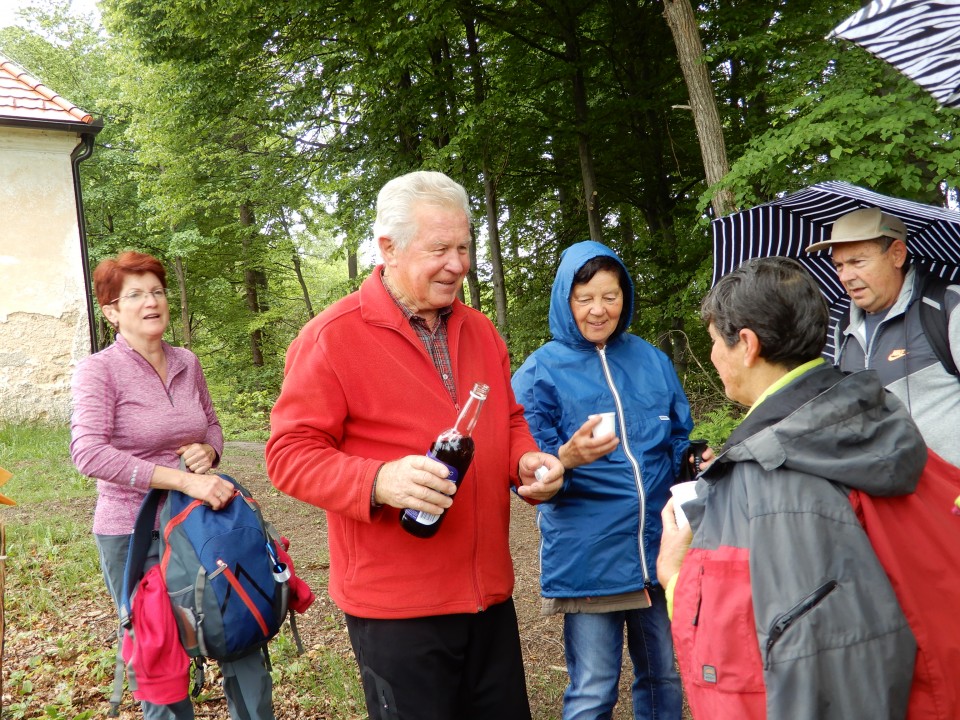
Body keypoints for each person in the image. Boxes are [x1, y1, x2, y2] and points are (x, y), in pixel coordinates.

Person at [265, 170, 564, 720]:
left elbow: (511, 419)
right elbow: (288, 454)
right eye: (440, 249)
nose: (460, 263)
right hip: (396, 610)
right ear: (389, 249)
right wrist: (377, 481)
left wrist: (526, 459)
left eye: (465, 246)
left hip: (488, 596)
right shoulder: (331, 337)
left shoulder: (481, 331)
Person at [656, 256, 926, 720]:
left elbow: (759, 653)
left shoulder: (775, 473)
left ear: (746, 344)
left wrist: (674, 573)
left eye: (713, 343)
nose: (714, 358)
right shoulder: (862, 417)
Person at [70, 251, 275, 720]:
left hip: (201, 524)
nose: (151, 302)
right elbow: (88, 453)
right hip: (132, 531)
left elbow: (212, 426)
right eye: (135, 294)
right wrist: (183, 478)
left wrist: (210, 452)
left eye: (157, 291)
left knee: (238, 627)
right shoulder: (99, 371)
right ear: (111, 311)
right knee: (158, 653)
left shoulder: (188, 362)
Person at [511, 241, 691, 720]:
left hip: (656, 550)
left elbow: (677, 439)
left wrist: (694, 458)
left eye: (610, 297)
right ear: (565, 301)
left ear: (625, 297)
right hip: (589, 554)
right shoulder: (539, 372)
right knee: (594, 688)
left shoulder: (651, 360)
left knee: (664, 677)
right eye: (585, 297)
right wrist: (564, 461)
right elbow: (526, 467)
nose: (599, 310)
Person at [805, 206, 960, 466]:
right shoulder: (844, 330)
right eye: (839, 265)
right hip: (886, 498)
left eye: (857, 262)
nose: (846, 276)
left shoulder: (947, 306)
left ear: (897, 254)